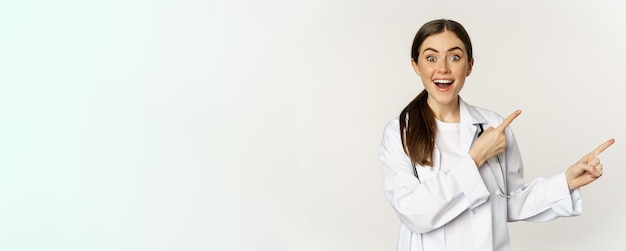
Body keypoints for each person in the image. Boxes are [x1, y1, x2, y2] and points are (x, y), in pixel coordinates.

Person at [379, 19, 615, 251]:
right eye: (431, 58)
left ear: (469, 66)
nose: (443, 68)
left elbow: (509, 202)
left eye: (454, 57)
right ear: (415, 65)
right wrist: (476, 158)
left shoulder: (493, 126)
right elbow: (414, 213)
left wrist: (565, 182)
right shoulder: (399, 132)